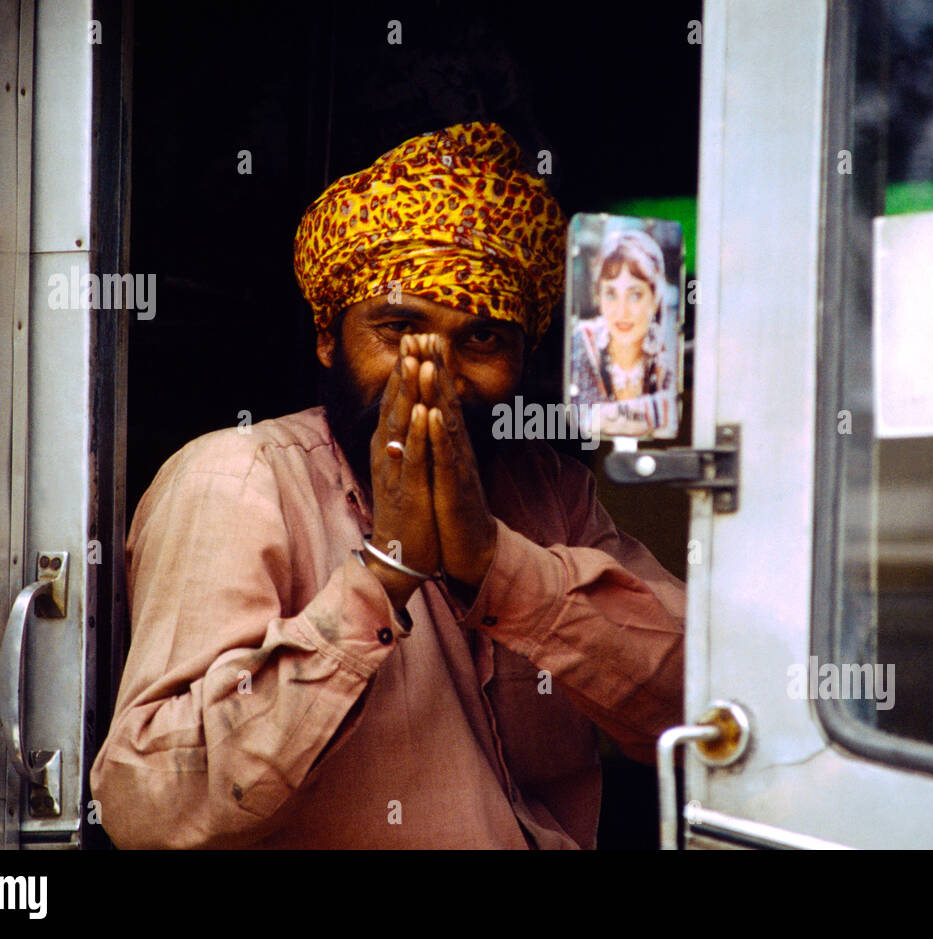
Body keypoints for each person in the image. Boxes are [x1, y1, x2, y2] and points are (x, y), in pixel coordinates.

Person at [89, 122, 686, 849]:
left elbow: (696, 701)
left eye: (482, 338)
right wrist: (386, 571)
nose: (430, 372)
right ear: (326, 338)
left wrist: (497, 568)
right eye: (399, 328)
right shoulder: (237, 479)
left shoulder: (549, 494)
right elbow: (149, 805)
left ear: (524, 362)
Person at [569, 228, 677, 437]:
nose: (622, 311)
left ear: (654, 299)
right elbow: (577, 421)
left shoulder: (668, 347)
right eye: (610, 294)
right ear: (598, 296)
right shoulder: (582, 342)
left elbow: (675, 413)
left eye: (635, 295)